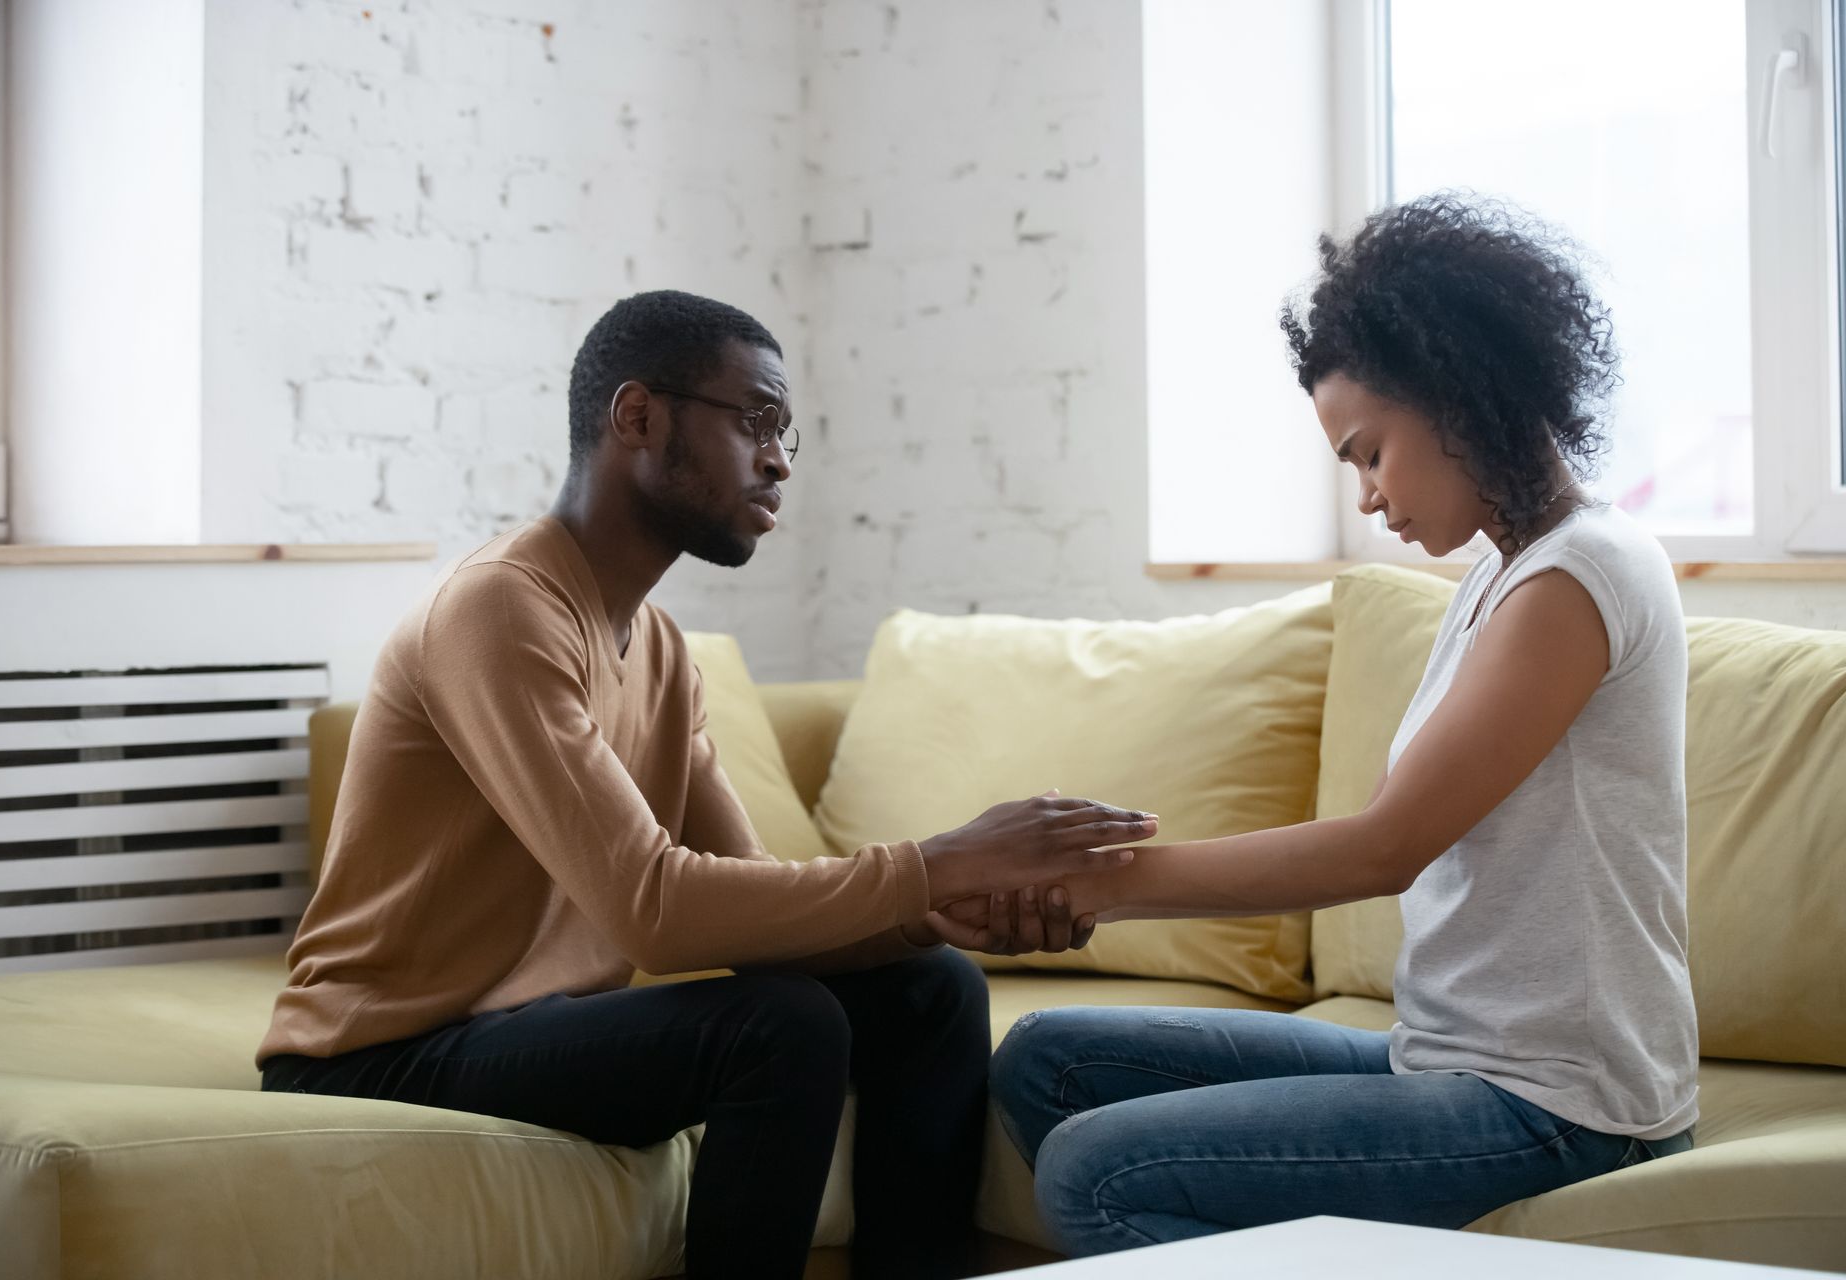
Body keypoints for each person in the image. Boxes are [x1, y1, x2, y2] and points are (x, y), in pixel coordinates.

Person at [257, 289, 1159, 1280]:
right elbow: (658, 910)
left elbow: (756, 902)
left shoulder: (659, 647)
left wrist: (944, 908)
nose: (778, 460)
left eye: (788, 435)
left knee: (929, 990)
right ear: (638, 417)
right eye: (756, 422)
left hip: (524, 1026)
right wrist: (933, 862)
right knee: (779, 1026)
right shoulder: (501, 608)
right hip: (385, 1045)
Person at [982, 195, 1698, 1255]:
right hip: (1451, 1058)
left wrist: (1110, 881)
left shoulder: (1578, 578)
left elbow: (1384, 846)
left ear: (1459, 394)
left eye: (1369, 452)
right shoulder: (1505, 572)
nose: (1367, 497)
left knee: (1099, 1167)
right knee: (1046, 1057)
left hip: (1563, 1106)